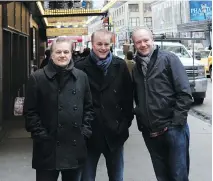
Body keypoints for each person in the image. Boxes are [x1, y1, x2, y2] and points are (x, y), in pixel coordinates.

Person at [24, 36, 94, 181]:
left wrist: (84, 132)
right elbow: (30, 112)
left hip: (74, 146)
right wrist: (41, 135)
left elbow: (89, 108)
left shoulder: (81, 77)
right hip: (47, 148)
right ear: (51, 54)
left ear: (71, 53)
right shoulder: (37, 78)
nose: (62, 55)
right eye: (58, 52)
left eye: (66, 52)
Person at [132, 27, 193, 181]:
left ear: (152, 40)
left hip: (173, 129)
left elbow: (185, 93)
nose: (143, 44)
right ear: (134, 44)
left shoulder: (168, 59)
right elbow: (138, 97)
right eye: (138, 42)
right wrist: (142, 122)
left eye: (146, 40)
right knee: (162, 176)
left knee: (178, 175)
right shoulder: (136, 67)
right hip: (151, 131)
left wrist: (176, 123)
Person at [75, 29, 134, 181]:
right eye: (99, 44)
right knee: (86, 177)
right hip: (89, 135)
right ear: (92, 44)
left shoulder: (120, 66)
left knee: (116, 177)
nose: (103, 47)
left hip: (115, 133)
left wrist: (124, 124)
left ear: (111, 44)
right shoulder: (80, 67)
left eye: (106, 44)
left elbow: (128, 98)